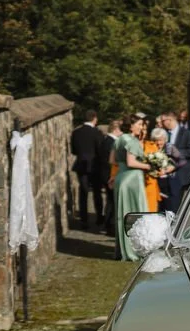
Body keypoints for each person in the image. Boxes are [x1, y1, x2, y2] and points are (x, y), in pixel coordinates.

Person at [112, 115, 151, 261]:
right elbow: (131, 162)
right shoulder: (131, 140)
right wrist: (148, 165)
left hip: (121, 178)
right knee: (135, 213)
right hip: (132, 179)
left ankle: (123, 249)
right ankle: (135, 250)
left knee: (122, 214)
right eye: (139, 124)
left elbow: (112, 160)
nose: (141, 127)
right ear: (131, 126)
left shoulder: (119, 139)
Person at [69, 109, 108, 231]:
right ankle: (99, 217)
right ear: (94, 118)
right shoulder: (97, 133)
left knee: (83, 191)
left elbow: (73, 150)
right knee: (97, 192)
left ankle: (84, 219)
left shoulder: (76, 132)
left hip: (81, 164)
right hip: (95, 165)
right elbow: (100, 150)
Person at [159, 112, 190, 210]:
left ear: (170, 120)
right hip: (165, 175)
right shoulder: (163, 133)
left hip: (181, 174)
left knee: (178, 205)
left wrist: (177, 152)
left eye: (163, 121)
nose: (161, 123)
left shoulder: (187, 134)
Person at [144, 127, 170, 212]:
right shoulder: (150, 150)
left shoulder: (169, 148)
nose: (158, 143)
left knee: (166, 208)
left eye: (161, 140)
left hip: (167, 183)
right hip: (153, 182)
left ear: (165, 139)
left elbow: (180, 161)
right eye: (156, 140)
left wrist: (166, 170)